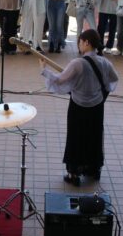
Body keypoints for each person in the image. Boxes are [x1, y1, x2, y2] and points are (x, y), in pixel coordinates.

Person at [40, 29, 118, 186]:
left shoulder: (77, 63)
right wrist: (100, 95)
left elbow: (60, 80)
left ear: (87, 43)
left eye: (80, 42)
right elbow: (113, 79)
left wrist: (44, 69)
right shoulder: (105, 63)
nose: (79, 45)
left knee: (76, 138)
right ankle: (93, 169)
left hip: (78, 107)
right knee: (94, 137)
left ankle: (74, 174)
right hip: (97, 108)